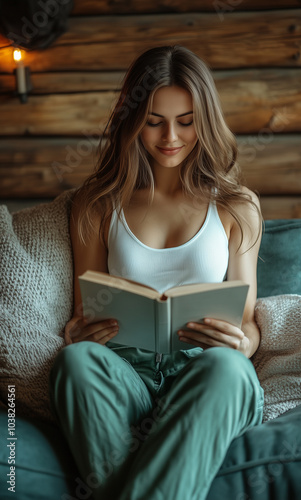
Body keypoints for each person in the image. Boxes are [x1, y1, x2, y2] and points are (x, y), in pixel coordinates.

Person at [49, 45, 264, 500]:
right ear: (132, 120)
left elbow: (246, 323)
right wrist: (80, 333)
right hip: (128, 370)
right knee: (75, 361)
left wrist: (242, 343)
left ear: (204, 121)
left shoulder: (237, 206)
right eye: (153, 120)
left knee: (228, 366)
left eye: (186, 121)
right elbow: (85, 310)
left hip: (205, 372)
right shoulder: (96, 203)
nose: (170, 136)